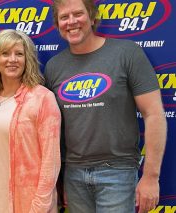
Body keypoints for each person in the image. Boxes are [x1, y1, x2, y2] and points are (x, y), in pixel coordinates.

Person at [44, 0, 167, 212]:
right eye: (64, 17)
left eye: (78, 14)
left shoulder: (126, 53)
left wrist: (150, 177)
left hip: (117, 172)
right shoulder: (54, 66)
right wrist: (58, 180)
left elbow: (154, 114)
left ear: (92, 17)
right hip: (73, 175)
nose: (71, 22)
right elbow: (52, 129)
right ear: (57, 24)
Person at [0, 29, 61, 213]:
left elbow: (51, 161)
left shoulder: (42, 98)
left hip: (28, 204)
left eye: (19, 54)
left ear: (27, 59)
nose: (12, 59)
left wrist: (40, 207)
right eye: (5, 53)